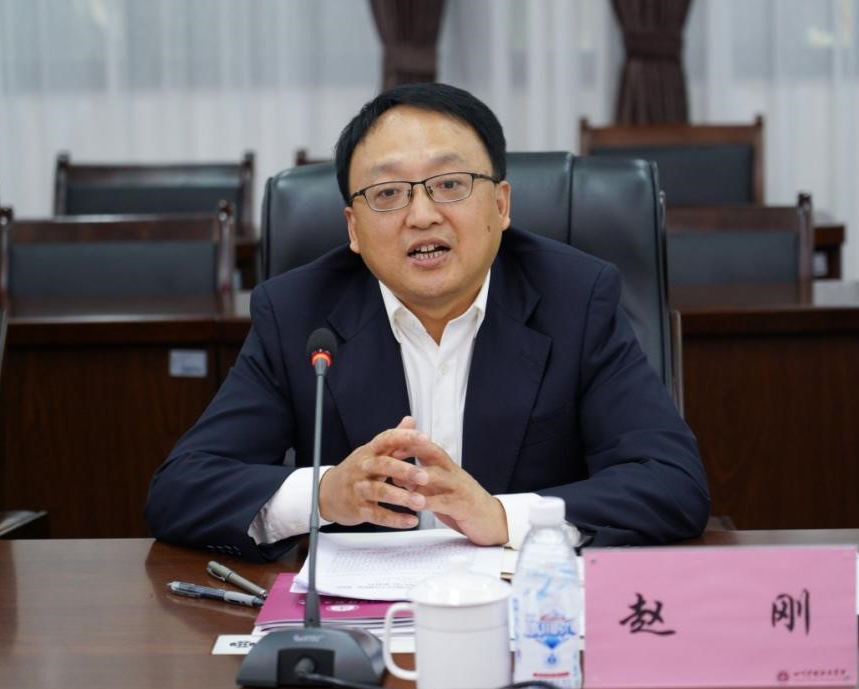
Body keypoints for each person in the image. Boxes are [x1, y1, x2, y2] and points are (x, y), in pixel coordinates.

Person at [145, 83, 710, 561]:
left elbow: (671, 482)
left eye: (450, 184)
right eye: (387, 193)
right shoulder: (298, 313)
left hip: (526, 612)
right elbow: (182, 488)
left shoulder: (575, 299)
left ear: (501, 205)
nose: (421, 215)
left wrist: (503, 517)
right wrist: (327, 493)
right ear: (353, 228)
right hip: (363, 624)